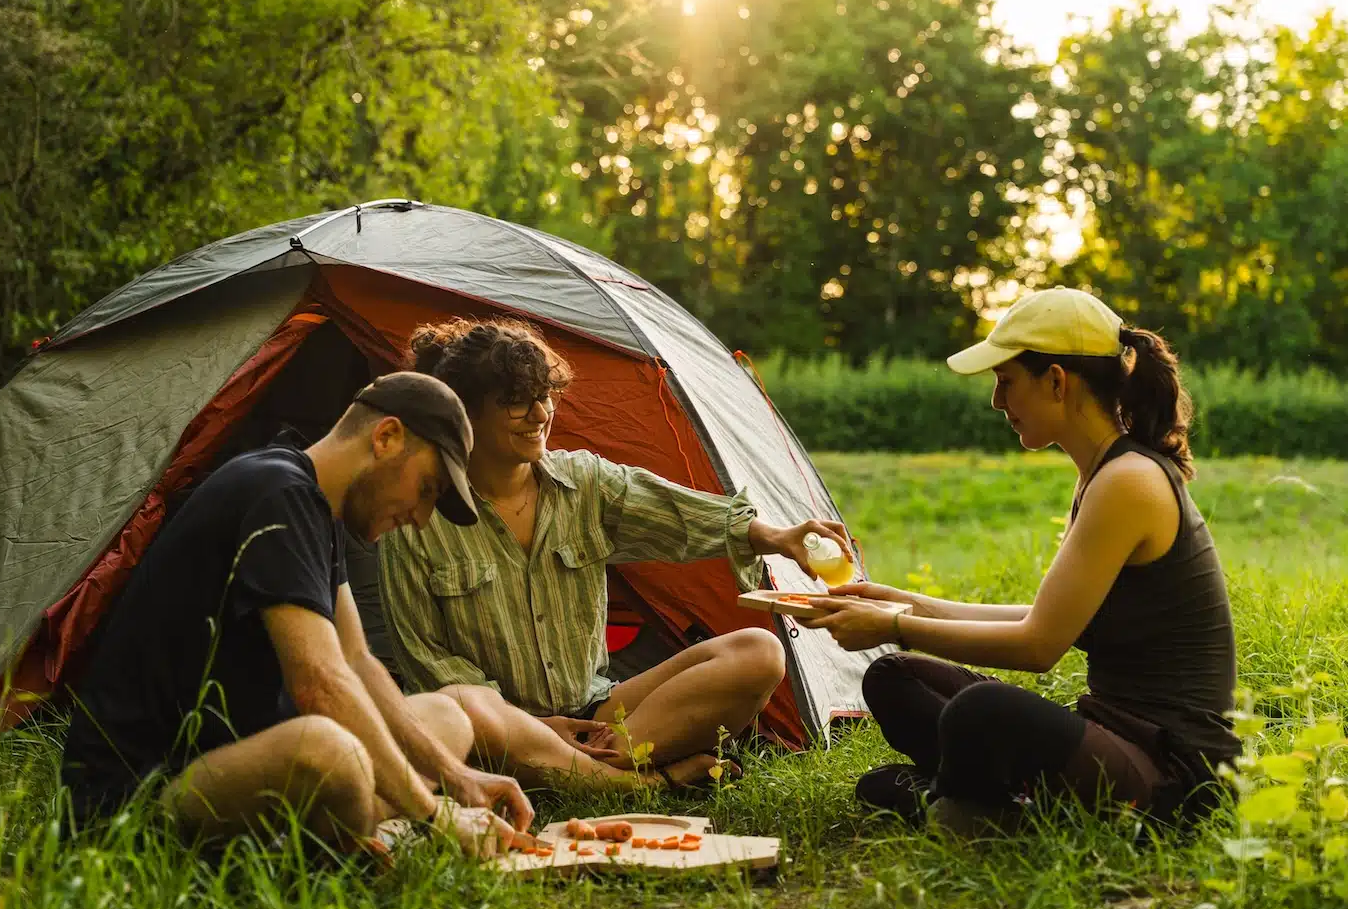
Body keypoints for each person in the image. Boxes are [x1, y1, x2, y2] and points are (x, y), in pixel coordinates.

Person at [795, 288, 1240, 835]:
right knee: (894, 675)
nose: (997, 402)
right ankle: (978, 799)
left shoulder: (1129, 483)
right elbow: (1044, 616)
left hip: (1172, 775)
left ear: (1056, 380)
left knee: (979, 712)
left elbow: (1038, 647)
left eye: (1006, 383)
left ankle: (971, 808)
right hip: (1115, 736)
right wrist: (897, 601)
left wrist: (891, 624)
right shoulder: (1101, 473)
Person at [60, 371, 535, 859]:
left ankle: (348, 831)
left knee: (444, 717)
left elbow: (356, 659)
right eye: (428, 488)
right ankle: (355, 835)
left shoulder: (313, 506)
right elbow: (320, 683)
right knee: (330, 751)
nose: (420, 517)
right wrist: (439, 815)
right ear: (386, 437)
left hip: (244, 757)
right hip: (142, 796)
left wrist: (457, 777)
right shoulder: (278, 494)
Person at [378, 318, 852, 790]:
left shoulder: (583, 483)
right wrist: (532, 730)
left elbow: (678, 513)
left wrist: (779, 536)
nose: (541, 414)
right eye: (516, 403)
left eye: (545, 396)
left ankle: (582, 772)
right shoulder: (418, 516)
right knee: (458, 716)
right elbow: (431, 663)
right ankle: (643, 780)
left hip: (597, 713)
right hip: (495, 730)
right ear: (465, 413)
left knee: (760, 652)